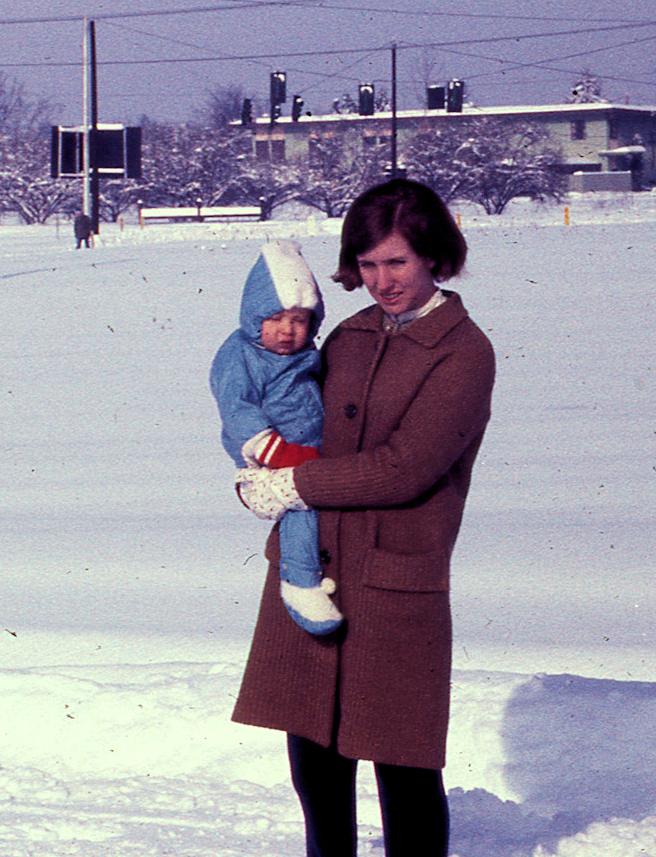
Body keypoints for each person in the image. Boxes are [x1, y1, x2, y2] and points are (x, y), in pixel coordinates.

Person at [232, 179, 495, 857]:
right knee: (314, 758)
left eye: (398, 262)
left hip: (394, 579)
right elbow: (288, 415)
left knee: (404, 766)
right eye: (370, 264)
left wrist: (291, 484)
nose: (383, 281)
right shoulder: (347, 336)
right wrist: (253, 462)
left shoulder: (463, 351)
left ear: (434, 254)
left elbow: (404, 467)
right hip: (313, 569)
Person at [209, 240, 342, 636]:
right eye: (276, 319)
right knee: (301, 509)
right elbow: (237, 410)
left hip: (307, 453)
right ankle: (301, 584)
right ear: (254, 318)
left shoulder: (303, 355)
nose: (288, 331)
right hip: (265, 464)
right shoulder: (239, 355)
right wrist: (277, 450)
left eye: (300, 320)